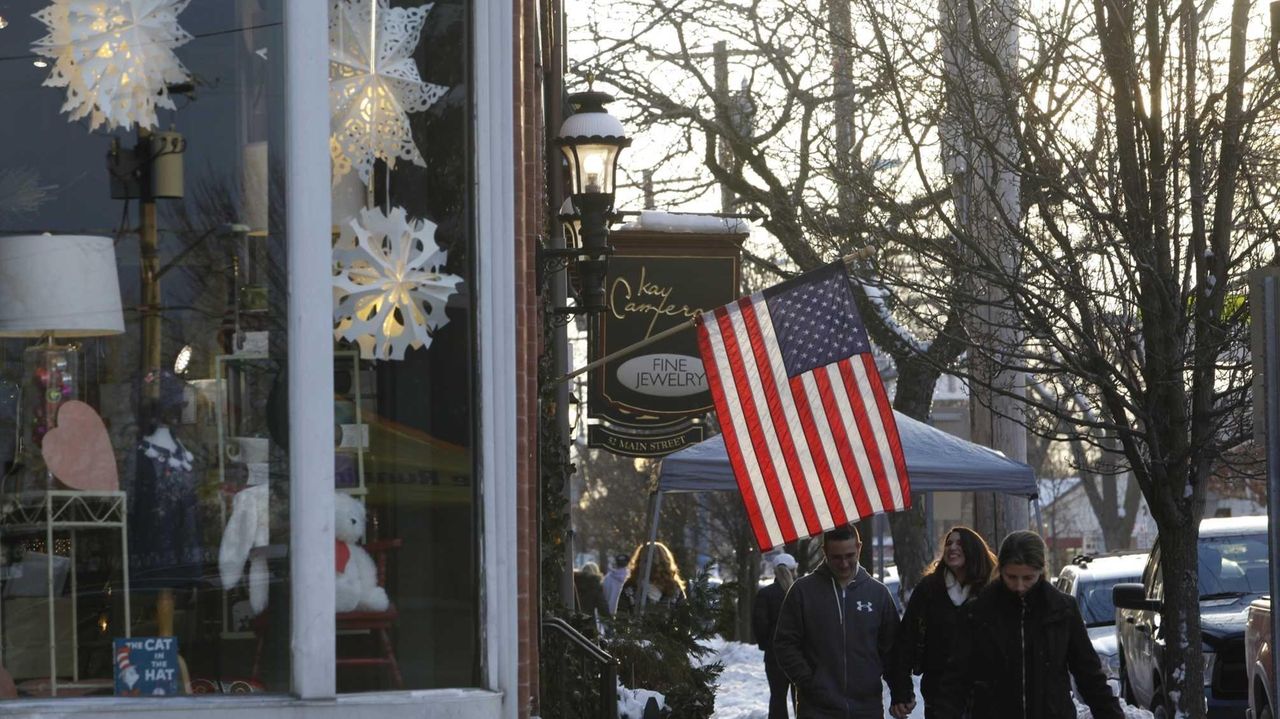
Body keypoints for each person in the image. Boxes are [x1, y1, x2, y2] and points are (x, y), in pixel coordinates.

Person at [933, 530, 1123, 719]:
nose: (1019, 586)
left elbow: (1089, 676)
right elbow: (955, 681)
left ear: (1041, 572)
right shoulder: (978, 612)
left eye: (1028, 578)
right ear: (1001, 571)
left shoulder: (1062, 610)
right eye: (1012, 577)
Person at [773, 525, 914, 718]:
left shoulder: (878, 594)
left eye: (849, 555)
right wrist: (808, 681)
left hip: (867, 708)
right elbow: (785, 643)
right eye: (836, 557)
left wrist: (901, 692)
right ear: (825, 552)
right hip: (816, 708)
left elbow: (893, 651)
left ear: (859, 548)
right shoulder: (802, 592)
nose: (844, 563)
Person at [893, 526, 996, 718]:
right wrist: (901, 691)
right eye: (949, 543)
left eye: (960, 543)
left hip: (982, 696)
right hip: (939, 693)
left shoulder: (990, 591)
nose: (952, 547)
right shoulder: (929, 589)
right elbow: (906, 640)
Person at [753, 552, 799, 719]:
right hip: (800, 654)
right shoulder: (801, 593)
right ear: (794, 570)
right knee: (801, 698)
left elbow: (760, 625)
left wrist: (767, 645)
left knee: (777, 697)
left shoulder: (765, 594)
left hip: (775, 655)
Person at [616, 541, 686, 613]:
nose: (648, 565)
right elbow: (621, 616)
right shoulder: (630, 587)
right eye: (645, 561)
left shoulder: (674, 589)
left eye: (653, 560)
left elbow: (683, 616)